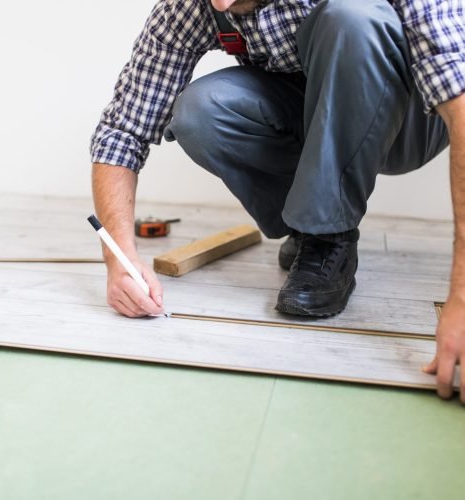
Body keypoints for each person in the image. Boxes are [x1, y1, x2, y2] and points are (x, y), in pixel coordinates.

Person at [90, 0, 464, 400]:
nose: (220, 4)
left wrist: (461, 295)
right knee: (201, 111)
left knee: (353, 18)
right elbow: (122, 130)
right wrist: (120, 258)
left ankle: (326, 229)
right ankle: (316, 235)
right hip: (318, 110)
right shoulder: (191, 7)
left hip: (411, 119)